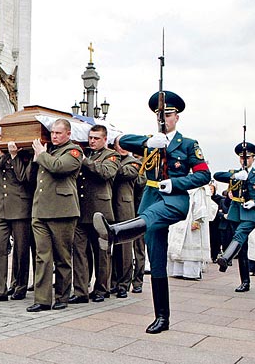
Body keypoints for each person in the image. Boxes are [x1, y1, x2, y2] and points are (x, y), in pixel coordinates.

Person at [93, 91, 210, 334]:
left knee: (150, 217)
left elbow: (203, 174)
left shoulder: (188, 144)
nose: (164, 119)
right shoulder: (151, 140)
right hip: (151, 196)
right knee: (156, 260)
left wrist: (177, 183)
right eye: (160, 115)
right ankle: (162, 318)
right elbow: (122, 141)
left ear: (177, 117)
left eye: (168, 115)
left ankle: (115, 233)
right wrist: (148, 143)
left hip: (173, 199)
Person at [25, 118, 83, 312]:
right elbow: (31, 179)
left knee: (63, 257)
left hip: (62, 211)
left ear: (68, 134)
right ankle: (42, 299)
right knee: (42, 256)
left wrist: (41, 154)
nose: (54, 136)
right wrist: (35, 159)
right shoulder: (47, 152)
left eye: (59, 133)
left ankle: (62, 296)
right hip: (40, 210)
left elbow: (59, 168)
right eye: (52, 133)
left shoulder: (74, 151)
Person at [0, 127, 34, 303]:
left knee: (21, 250)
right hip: (0, 209)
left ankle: (19, 286)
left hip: (20, 209)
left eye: (0, 137)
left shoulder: (24, 155)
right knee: (0, 250)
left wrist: (13, 156)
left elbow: (23, 178)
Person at [71, 125, 120, 304]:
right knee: (80, 252)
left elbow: (105, 173)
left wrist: (84, 160)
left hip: (100, 212)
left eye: (96, 138)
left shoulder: (111, 156)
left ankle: (102, 289)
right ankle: (81, 290)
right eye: (90, 137)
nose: (92, 141)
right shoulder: (87, 154)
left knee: (101, 253)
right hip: (82, 210)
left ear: (104, 139)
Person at [213, 142, 255, 292]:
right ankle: (245, 282)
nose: (245, 160)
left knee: (240, 234)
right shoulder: (235, 173)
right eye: (242, 158)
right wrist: (235, 176)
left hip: (250, 213)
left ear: (253, 159)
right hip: (235, 213)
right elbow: (216, 175)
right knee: (242, 248)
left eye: (248, 158)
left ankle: (225, 258)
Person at [110, 140, 141, 298]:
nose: (121, 148)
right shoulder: (110, 157)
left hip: (124, 208)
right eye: (118, 145)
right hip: (108, 206)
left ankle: (124, 284)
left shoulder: (133, 162)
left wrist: (111, 161)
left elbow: (126, 173)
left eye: (123, 145)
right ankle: (113, 282)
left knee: (124, 249)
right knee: (109, 249)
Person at [167, 185, 216, 279]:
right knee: (179, 247)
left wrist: (197, 220)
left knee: (191, 246)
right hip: (181, 218)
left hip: (191, 219)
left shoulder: (199, 188)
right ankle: (178, 271)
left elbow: (201, 205)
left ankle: (191, 273)